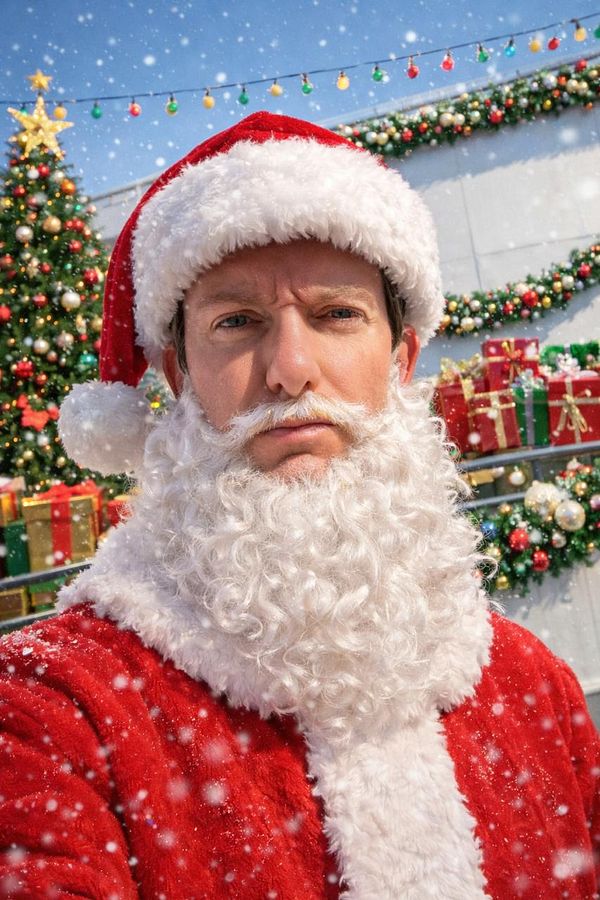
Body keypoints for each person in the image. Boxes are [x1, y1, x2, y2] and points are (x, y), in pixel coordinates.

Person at [0, 111, 598, 899]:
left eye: (336, 315)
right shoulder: (55, 713)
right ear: (179, 377)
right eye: (237, 322)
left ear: (401, 358)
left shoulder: (532, 685)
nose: (290, 369)